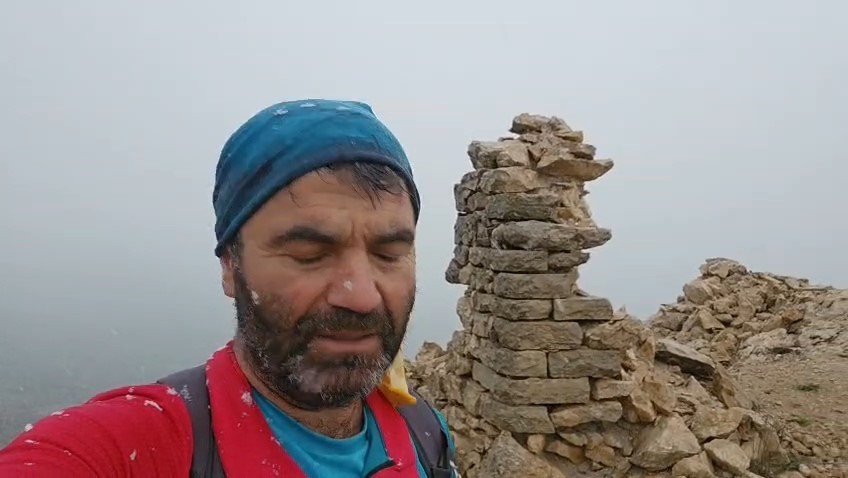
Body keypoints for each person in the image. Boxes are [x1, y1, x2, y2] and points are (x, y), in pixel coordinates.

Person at [0, 99, 458, 477]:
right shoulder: (142, 447)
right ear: (230, 267)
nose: (361, 296)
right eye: (308, 254)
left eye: (388, 254)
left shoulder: (424, 432)